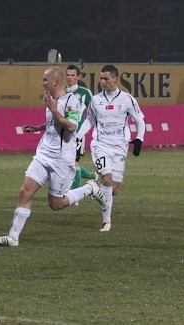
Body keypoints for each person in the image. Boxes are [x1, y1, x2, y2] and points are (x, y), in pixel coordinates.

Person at [0, 67, 107, 247]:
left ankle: (89, 189)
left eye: (45, 80)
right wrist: (39, 127)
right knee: (24, 191)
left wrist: (53, 109)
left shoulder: (72, 101)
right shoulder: (52, 100)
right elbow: (55, 123)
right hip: (44, 154)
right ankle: (13, 236)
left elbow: (71, 126)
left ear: (55, 82)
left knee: (56, 204)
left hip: (61, 159)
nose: (42, 82)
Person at [75, 64, 146, 232]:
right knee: (106, 179)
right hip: (101, 145)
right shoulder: (96, 100)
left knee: (113, 189)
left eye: (106, 78)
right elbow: (89, 121)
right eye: (101, 79)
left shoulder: (127, 99)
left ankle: (91, 187)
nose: (102, 82)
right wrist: (78, 136)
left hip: (120, 147)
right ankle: (106, 221)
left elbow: (140, 120)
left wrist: (139, 139)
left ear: (115, 79)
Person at [65, 65, 98, 204]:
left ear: (78, 77)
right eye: (68, 75)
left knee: (74, 163)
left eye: (73, 75)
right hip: (63, 134)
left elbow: (97, 108)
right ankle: (91, 175)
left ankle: (75, 196)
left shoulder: (84, 93)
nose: (70, 78)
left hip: (77, 134)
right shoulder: (62, 92)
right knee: (67, 163)